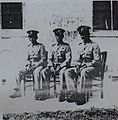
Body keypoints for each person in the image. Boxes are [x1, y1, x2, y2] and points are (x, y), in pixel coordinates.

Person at [65, 25, 101, 103]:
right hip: (81, 67)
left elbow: (97, 60)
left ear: (88, 34)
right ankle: (73, 93)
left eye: (84, 34)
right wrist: (77, 65)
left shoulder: (94, 45)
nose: (83, 36)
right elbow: (77, 59)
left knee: (84, 72)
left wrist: (86, 65)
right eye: (81, 34)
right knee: (68, 72)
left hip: (92, 68)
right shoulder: (80, 46)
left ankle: (82, 96)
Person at [10, 30, 47, 98]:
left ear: (36, 37)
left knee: (36, 73)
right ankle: (17, 91)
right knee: (18, 73)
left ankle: (37, 92)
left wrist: (36, 64)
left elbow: (43, 59)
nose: (31, 39)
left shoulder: (41, 46)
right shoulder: (28, 47)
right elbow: (26, 59)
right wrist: (28, 65)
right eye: (30, 37)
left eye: (33, 37)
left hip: (39, 65)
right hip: (30, 66)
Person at [40, 28, 72, 101]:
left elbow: (68, 59)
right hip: (53, 66)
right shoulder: (52, 46)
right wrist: (51, 66)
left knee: (62, 73)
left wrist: (60, 66)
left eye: (60, 36)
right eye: (57, 36)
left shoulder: (66, 46)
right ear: (55, 37)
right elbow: (50, 59)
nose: (58, 38)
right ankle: (45, 92)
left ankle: (62, 93)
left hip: (63, 66)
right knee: (43, 72)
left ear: (62, 37)